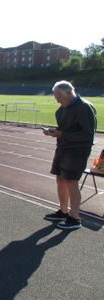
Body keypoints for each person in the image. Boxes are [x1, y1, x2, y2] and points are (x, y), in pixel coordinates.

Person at [43, 81, 97, 230]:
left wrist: (62, 134)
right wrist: (54, 131)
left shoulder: (84, 108)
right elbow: (64, 129)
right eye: (56, 98)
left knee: (71, 182)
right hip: (63, 147)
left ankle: (75, 218)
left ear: (69, 93)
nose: (58, 101)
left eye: (59, 97)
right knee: (60, 179)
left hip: (77, 151)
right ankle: (63, 211)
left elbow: (87, 135)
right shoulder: (61, 110)